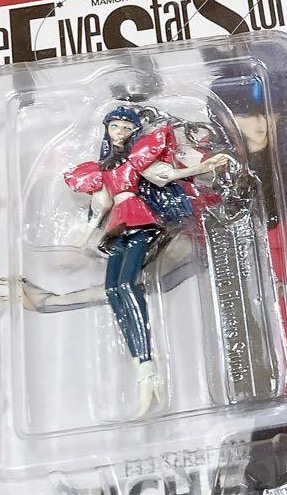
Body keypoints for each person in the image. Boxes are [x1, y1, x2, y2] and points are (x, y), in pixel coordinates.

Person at [64, 105, 230, 418]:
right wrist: (78, 244)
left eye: (126, 128)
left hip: (140, 221)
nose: (120, 132)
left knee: (128, 284)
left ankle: (148, 364)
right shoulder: (102, 169)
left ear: (134, 131)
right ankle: (140, 365)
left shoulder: (136, 159)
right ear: (107, 129)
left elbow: (165, 175)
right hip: (116, 227)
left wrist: (205, 166)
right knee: (113, 290)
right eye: (115, 126)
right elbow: (99, 209)